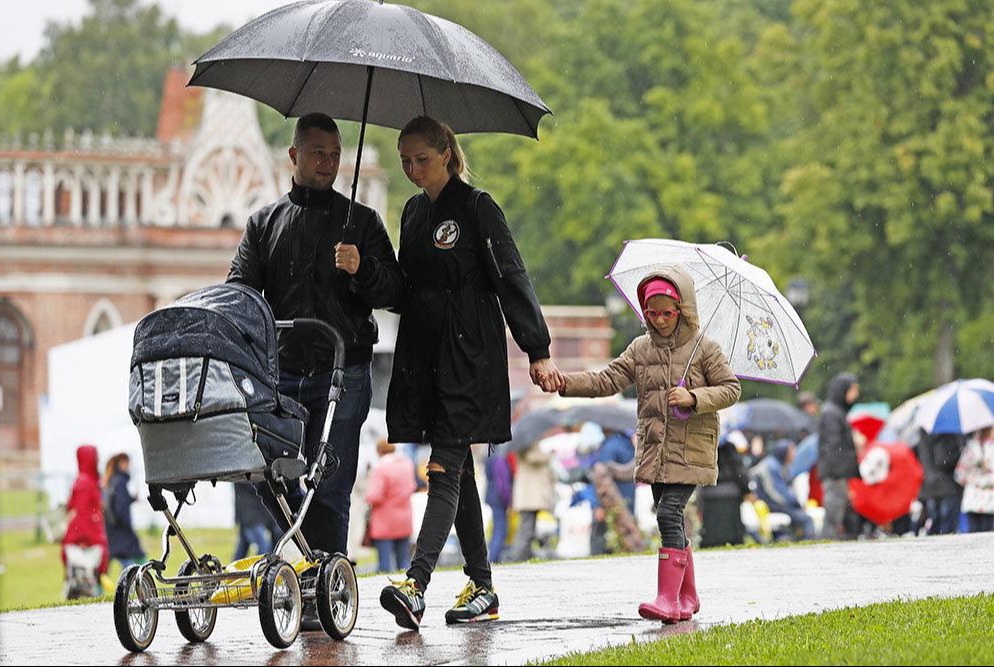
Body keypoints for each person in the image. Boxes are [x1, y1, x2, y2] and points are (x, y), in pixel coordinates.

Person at [378, 116, 562, 631]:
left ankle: (415, 584)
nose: (413, 170)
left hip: (469, 353)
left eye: (422, 159)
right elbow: (402, 287)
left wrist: (537, 347)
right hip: (423, 355)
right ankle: (483, 585)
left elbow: (510, 275)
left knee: (444, 464)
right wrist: (361, 271)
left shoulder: (478, 207)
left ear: (447, 155)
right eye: (404, 161)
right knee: (457, 470)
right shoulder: (412, 213)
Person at [227, 112, 403, 629]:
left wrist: (361, 268)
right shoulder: (263, 224)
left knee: (331, 483)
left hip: (341, 373)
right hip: (279, 375)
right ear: (294, 156)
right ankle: (311, 569)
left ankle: (322, 594)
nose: (328, 163)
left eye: (334, 153)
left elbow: (394, 292)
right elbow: (238, 291)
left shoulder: (363, 223)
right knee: (267, 476)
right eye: (318, 152)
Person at [553, 269, 741, 623]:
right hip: (656, 450)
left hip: (690, 450)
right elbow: (606, 380)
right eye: (651, 313)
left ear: (681, 310)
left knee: (669, 514)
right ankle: (688, 595)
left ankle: (667, 599)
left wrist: (694, 396)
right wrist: (565, 383)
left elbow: (731, 388)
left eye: (667, 313)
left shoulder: (705, 349)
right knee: (671, 519)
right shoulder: (641, 348)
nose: (659, 320)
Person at [816, 372, 861, 540]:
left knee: (842, 514)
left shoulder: (836, 412)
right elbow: (833, 447)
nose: (856, 394)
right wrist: (838, 475)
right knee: (833, 515)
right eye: (853, 390)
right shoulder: (831, 414)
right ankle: (827, 544)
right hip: (835, 474)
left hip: (838, 473)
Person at [62, 445, 109, 597]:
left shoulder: (85, 480)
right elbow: (81, 514)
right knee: (87, 581)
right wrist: (82, 539)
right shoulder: (85, 482)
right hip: (88, 539)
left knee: (89, 578)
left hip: (89, 536)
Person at [366, 440, 417, 572]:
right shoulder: (407, 464)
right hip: (404, 519)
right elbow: (413, 486)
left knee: (384, 564)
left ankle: (383, 587)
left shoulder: (381, 468)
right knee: (404, 561)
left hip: (385, 521)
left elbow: (374, 496)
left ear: (379, 451)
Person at [750, 440, 816, 541]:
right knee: (806, 519)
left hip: (774, 504)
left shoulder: (779, 465)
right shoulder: (771, 466)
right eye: (792, 451)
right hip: (770, 505)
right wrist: (795, 504)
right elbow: (776, 493)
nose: (794, 455)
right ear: (784, 452)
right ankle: (808, 542)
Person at [103, 453, 145, 569]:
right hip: (122, 530)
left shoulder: (111, 480)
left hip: (112, 530)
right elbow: (120, 507)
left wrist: (131, 499)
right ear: (120, 464)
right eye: (126, 463)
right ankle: (146, 585)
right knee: (135, 562)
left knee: (113, 562)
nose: (128, 466)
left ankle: (98, 585)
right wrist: (127, 526)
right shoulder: (120, 482)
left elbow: (116, 502)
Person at [919, 430, 965, 534]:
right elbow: (944, 459)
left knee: (935, 523)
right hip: (948, 486)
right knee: (946, 527)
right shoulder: (948, 432)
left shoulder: (924, 430)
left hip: (930, 484)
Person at [954, 427, 994, 533]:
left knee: (974, 538)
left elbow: (959, 475)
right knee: (988, 540)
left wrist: (973, 479)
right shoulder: (973, 448)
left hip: (972, 501)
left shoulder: (970, 448)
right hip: (989, 502)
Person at [233, 482, 273, 560]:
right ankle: (258, 570)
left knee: (242, 550)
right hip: (250, 516)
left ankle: (231, 570)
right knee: (264, 547)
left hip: (252, 515)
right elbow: (255, 486)